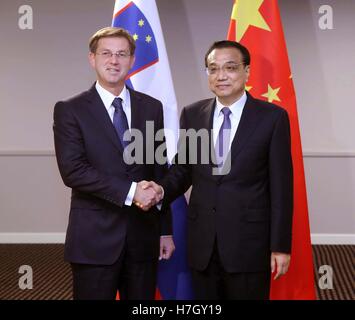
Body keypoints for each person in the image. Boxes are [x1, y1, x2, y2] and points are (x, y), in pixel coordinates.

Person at [141, 40, 293, 299]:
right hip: (203, 243)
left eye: (230, 68)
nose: (221, 76)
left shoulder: (272, 117)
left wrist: (280, 246)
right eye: (213, 69)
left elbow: (282, 188)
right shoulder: (193, 114)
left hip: (249, 244)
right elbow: (183, 170)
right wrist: (160, 189)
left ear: (246, 71)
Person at [53, 27, 175, 300]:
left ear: (132, 61)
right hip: (94, 241)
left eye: (122, 54)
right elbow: (73, 170)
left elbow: (158, 170)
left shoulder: (151, 107)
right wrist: (132, 192)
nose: (114, 61)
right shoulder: (70, 109)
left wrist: (165, 230)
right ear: (92, 59)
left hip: (143, 238)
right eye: (106, 53)